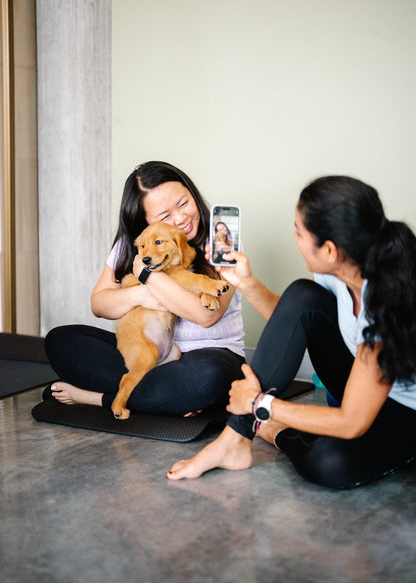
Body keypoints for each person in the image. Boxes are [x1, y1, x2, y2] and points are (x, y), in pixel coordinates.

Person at [167, 175, 416, 489]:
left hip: (405, 413)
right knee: (301, 295)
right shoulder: (340, 269)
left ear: (329, 250)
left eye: (299, 231)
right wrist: (246, 282)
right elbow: (294, 321)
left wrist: (262, 404)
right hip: (360, 385)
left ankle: (276, 430)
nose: (294, 236)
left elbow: (352, 422)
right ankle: (234, 440)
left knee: (329, 464)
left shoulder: (387, 304)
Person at [44, 161, 245, 417]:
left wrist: (146, 274)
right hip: (147, 351)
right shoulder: (139, 245)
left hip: (210, 356)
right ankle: (165, 398)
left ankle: (99, 398)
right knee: (60, 340)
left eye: (183, 203)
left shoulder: (221, 240)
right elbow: (99, 304)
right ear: (144, 222)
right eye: (164, 216)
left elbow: (206, 316)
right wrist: (141, 294)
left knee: (208, 378)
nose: (180, 219)